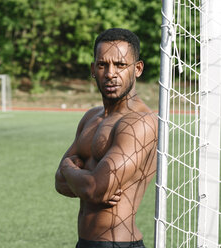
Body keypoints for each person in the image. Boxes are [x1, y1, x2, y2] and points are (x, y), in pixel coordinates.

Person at [55, 28, 158, 248]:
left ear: (137, 69)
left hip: (118, 243)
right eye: (103, 65)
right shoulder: (92, 117)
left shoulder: (139, 122)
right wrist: (77, 178)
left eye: (120, 65)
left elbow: (94, 189)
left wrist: (67, 167)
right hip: (84, 243)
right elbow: (60, 183)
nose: (111, 73)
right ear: (94, 69)